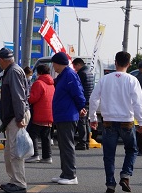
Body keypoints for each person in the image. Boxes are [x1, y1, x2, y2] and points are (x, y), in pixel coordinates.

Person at [89, 52, 142, 193]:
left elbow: (93, 99)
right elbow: (138, 103)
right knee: (132, 150)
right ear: (129, 63)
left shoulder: (104, 79)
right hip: (127, 121)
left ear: (115, 62)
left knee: (109, 154)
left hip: (108, 121)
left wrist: (93, 118)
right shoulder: (132, 80)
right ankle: (125, 175)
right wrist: (141, 122)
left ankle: (110, 184)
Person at [0, 48, 30, 193]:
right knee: (11, 151)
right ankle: (14, 180)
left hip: (17, 116)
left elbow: (18, 96)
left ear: (1, 60)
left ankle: (19, 182)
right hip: (15, 115)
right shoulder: (13, 70)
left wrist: (20, 117)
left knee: (16, 152)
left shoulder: (13, 72)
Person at [50, 52, 86, 185]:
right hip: (63, 114)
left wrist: (82, 106)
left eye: (54, 63)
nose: (53, 66)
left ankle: (71, 175)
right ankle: (65, 173)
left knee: (67, 145)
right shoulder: (64, 75)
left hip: (67, 115)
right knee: (63, 145)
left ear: (59, 63)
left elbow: (78, 92)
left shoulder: (69, 75)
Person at [25, 64, 54, 164]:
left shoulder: (39, 83)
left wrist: (27, 98)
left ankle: (35, 154)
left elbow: (33, 98)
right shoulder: (51, 84)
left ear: (40, 72)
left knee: (32, 133)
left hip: (39, 113)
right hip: (49, 113)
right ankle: (47, 156)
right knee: (46, 136)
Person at [73, 58, 95, 151]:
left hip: (83, 100)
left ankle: (82, 142)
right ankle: (86, 142)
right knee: (85, 121)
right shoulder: (89, 72)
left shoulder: (81, 73)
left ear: (78, 65)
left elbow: (79, 88)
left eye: (75, 66)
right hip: (89, 99)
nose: (74, 69)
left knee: (81, 121)